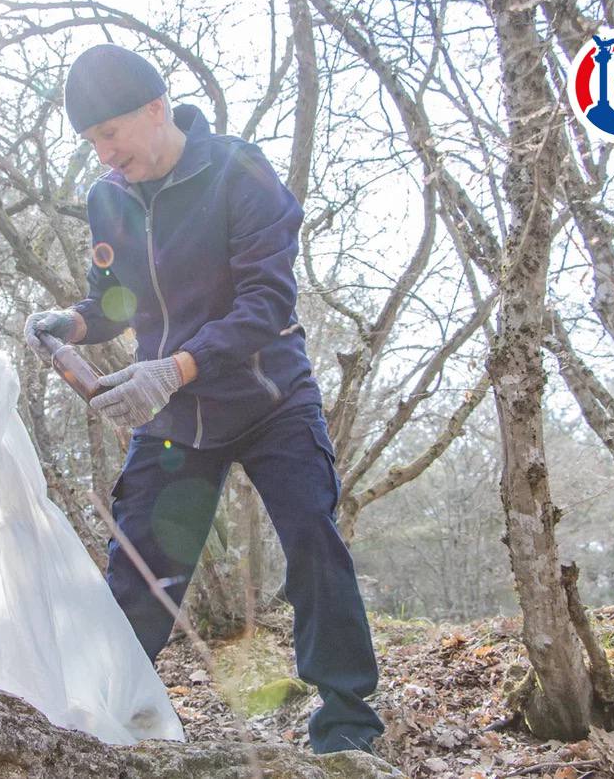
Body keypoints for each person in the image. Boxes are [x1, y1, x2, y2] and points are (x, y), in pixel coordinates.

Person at [24, 44, 383, 754]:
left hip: (267, 397)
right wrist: (70, 322)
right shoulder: (107, 199)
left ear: (154, 110)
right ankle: (110, 727)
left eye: (109, 135)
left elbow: (266, 300)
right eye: (92, 142)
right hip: (174, 419)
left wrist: (177, 366)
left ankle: (347, 728)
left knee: (312, 539)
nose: (103, 155)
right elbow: (115, 303)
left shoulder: (236, 171)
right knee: (138, 571)